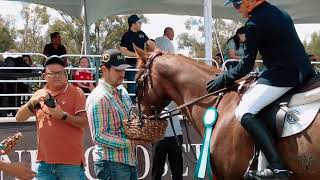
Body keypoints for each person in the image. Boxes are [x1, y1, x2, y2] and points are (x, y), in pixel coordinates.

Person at [206, 0, 315, 179]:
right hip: (304, 71)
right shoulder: (279, 12)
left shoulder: (254, 24)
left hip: (283, 75)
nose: (235, 9)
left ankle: (277, 167)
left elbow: (245, 66)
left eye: (236, 4)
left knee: (244, 111)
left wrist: (223, 77)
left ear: (248, 2)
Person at [15, 55, 88, 179]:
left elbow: (85, 123)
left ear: (66, 75)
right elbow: (19, 118)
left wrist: (63, 116)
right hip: (44, 164)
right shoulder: (39, 94)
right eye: (52, 73)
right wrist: (32, 103)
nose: (57, 76)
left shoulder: (77, 92)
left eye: (60, 72)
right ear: (45, 76)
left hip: (71, 163)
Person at [86, 49, 146, 180]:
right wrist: (130, 143)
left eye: (123, 70)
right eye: (118, 70)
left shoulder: (123, 91)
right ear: (104, 69)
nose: (122, 74)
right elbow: (98, 136)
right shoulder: (98, 97)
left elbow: (132, 117)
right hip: (110, 163)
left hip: (128, 161)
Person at [153, 29, 183, 180]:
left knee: (176, 171)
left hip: (175, 132)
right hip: (160, 134)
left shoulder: (176, 79)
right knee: (158, 171)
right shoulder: (154, 81)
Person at [120, 15, 156, 103]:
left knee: (145, 85)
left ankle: (142, 105)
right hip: (131, 65)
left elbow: (151, 44)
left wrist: (155, 52)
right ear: (133, 24)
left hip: (143, 65)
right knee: (132, 87)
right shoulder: (126, 35)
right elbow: (124, 51)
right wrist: (138, 55)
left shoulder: (141, 33)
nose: (141, 24)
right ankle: (131, 107)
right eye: (139, 22)